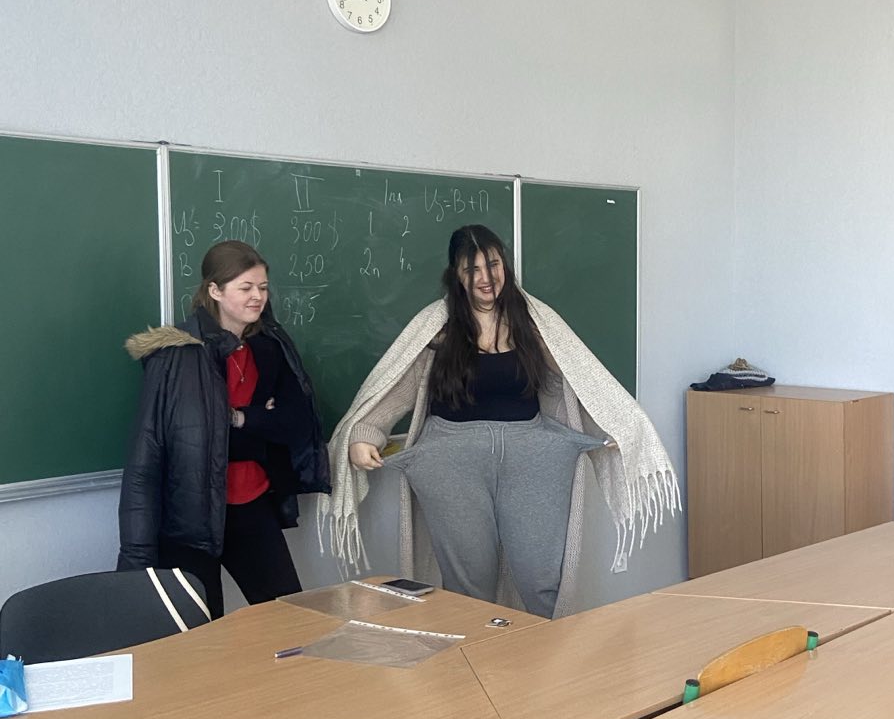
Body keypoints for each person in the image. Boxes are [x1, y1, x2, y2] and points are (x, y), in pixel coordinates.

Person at [323, 225, 679, 618]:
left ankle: (547, 653)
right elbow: (398, 387)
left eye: (492, 265)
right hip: (451, 461)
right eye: (472, 269)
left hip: (532, 455)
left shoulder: (534, 321)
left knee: (541, 576)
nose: (485, 278)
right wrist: (365, 434)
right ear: (456, 275)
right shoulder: (437, 326)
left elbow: (577, 380)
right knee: (469, 583)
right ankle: (476, 654)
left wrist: (610, 425)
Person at [118, 241, 330, 618]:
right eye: (245, 287)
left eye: (263, 287)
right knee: (202, 631)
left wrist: (240, 418)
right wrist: (135, 552)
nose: (257, 297)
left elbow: (296, 424)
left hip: (252, 504)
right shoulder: (176, 355)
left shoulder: (270, 347)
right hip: (190, 516)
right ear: (215, 291)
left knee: (290, 617)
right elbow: (148, 452)